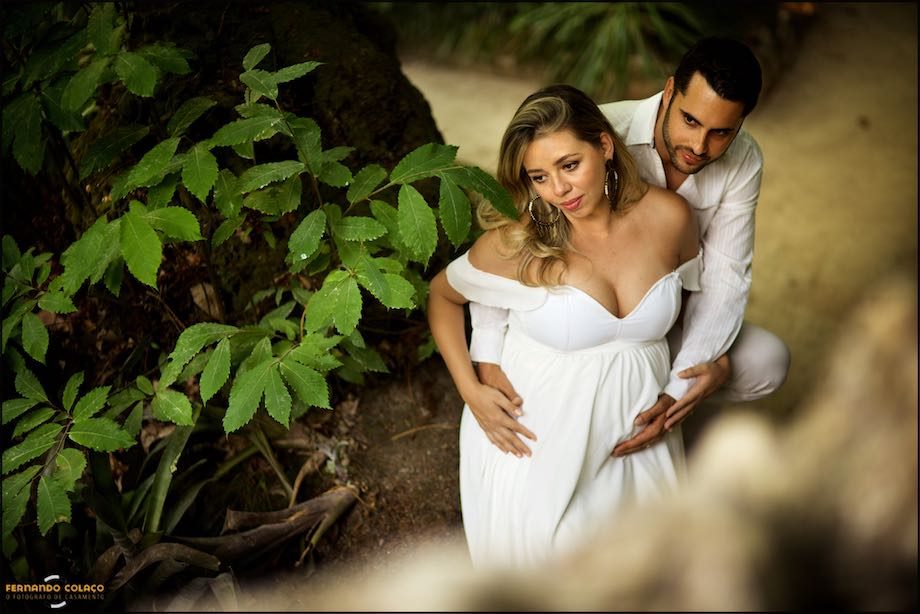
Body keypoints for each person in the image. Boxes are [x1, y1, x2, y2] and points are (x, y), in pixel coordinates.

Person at [469, 37, 791, 458]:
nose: (698, 146)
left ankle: (663, 414)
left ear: (743, 122)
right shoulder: (595, 137)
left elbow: (726, 276)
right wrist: (487, 357)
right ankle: (631, 406)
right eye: (690, 121)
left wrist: (684, 383)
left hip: (661, 314)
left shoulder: (745, 160)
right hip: (583, 319)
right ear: (670, 90)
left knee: (768, 361)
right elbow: (513, 238)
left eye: (721, 133)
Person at [427, 84, 700, 567]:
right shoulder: (521, 244)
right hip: (539, 445)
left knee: (656, 572)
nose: (559, 189)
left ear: (605, 146)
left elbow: (698, 313)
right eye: (539, 176)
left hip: (639, 446)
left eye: (569, 165)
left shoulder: (670, 217)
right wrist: (470, 389)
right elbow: (443, 295)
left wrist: (683, 385)